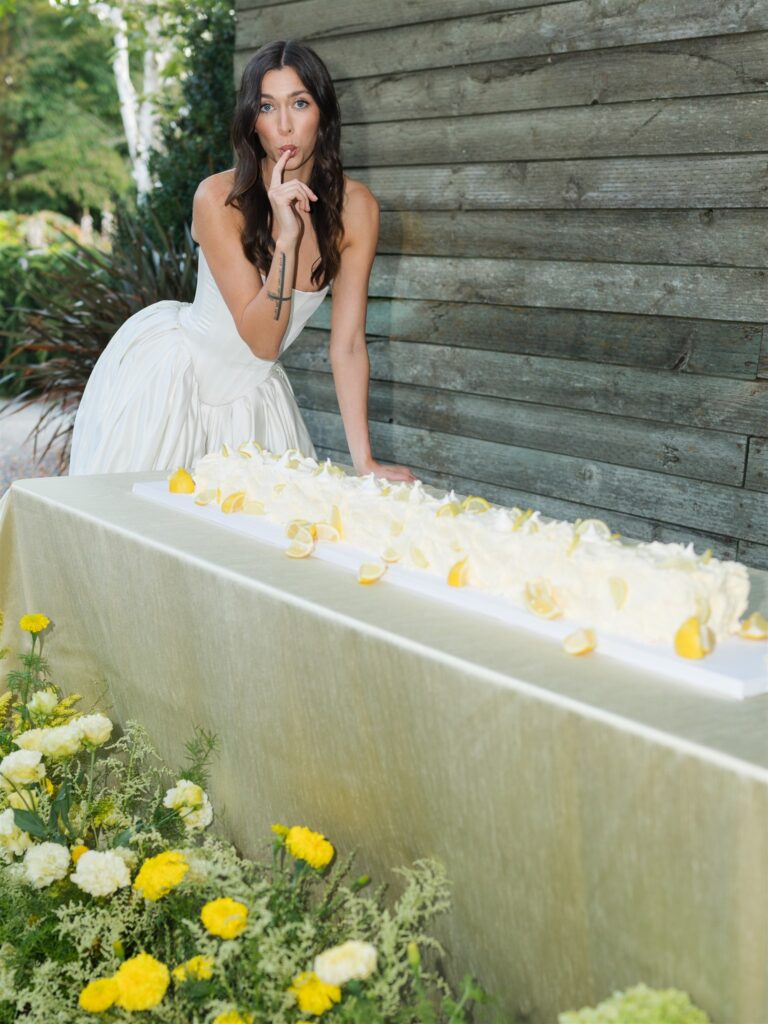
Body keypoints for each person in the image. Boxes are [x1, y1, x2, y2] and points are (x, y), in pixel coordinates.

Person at [69, 39, 416, 483]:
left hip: (255, 398)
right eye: (268, 107)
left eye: (300, 103)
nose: (285, 126)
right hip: (175, 385)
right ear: (253, 122)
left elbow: (347, 345)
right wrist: (287, 240)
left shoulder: (357, 209)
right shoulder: (218, 199)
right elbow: (263, 342)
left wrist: (365, 461)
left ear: (323, 115)